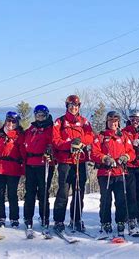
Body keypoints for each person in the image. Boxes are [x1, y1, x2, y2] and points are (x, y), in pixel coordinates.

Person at [52, 95, 94, 233]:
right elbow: (55, 140)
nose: (74, 108)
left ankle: (76, 219)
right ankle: (59, 220)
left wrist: (80, 142)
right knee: (63, 192)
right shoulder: (60, 122)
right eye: (71, 106)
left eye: (76, 106)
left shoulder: (84, 121)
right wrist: (70, 144)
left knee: (78, 191)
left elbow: (90, 136)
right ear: (67, 107)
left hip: (79, 161)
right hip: (65, 161)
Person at [91, 111, 136, 238]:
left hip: (120, 172)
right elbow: (94, 153)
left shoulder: (124, 136)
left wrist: (126, 157)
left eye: (115, 122)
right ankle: (105, 222)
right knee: (106, 199)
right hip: (105, 172)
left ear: (118, 123)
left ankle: (121, 220)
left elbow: (131, 152)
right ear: (107, 122)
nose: (113, 124)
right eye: (111, 121)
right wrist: (105, 158)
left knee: (121, 199)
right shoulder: (100, 136)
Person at [21, 105, 55, 233]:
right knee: (30, 193)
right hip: (31, 163)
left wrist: (51, 150)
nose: (40, 117)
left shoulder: (50, 128)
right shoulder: (32, 128)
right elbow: (24, 144)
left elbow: (55, 142)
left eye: (42, 115)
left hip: (44, 163)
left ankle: (44, 217)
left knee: (43, 192)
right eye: (38, 115)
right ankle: (28, 217)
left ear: (46, 115)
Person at [0, 111, 25, 228]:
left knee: (12, 194)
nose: (11, 123)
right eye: (9, 120)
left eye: (14, 121)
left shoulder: (20, 135)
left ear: (17, 122)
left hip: (13, 168)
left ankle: (14, 218)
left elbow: (24, 152)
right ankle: (0, 217)